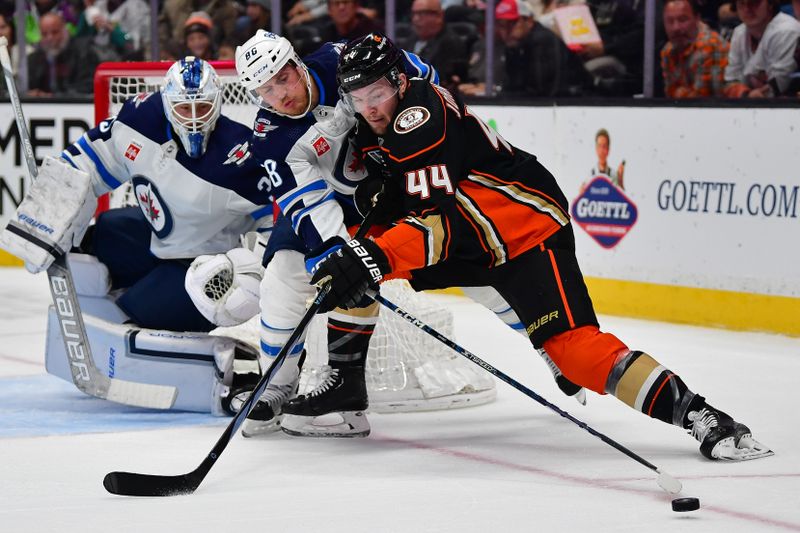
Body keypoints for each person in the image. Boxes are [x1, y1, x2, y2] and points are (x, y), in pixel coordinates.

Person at [298, 33, 773, 461]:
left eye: (377, 93)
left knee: (576, 354)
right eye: (359, 98)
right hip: (468, 238)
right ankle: (345, 385)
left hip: (523, 228)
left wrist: (372, 254)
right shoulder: (370, 127)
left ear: (400, 83)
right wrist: (362, 244)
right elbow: (406, 211)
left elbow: (435, 227)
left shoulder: (418, 117)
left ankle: (703, 417)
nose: (371, 107)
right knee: (352, 260)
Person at [0, 58, 273, 414]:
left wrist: (257, 275)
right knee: (101, 237)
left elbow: (279, 221)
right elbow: (88, 160)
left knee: (129, 314)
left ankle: (213, 371)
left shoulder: (242, 155)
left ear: (219, 103)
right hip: (160, 238)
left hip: (202, 269)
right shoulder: (139, 118)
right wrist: (48, 212)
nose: (192, 117)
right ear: (166, 102)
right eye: (182, 107)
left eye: (202, 106)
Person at [233, 30, 440, 437]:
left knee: (465, 251)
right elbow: (308, 204)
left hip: (391, 187)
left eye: (283, 79)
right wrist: (334, 249)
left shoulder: (341, 59)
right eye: (266, 90)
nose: (280, 96)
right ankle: (278, 384)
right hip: (328, 204)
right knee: (283, 276)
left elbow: (422, 76)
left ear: (298, 64)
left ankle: (548, 340)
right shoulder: (269, 135)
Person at [494, 0, 591, 97]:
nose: (506, 31)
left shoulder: (543, 41)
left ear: (529, 21)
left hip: (578, 101)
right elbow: (511, 86)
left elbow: (541, 91)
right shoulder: (514, 45)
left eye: (512, 23)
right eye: (502, 25)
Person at [723, 0, 800, 97]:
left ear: (770, 4)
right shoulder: (739, 32)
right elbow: (730, 81)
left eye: (754, 3)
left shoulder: (787, 30)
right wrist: (746, 94)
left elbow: (780, 84)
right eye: (742, 3)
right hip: (749, 104)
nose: (747, 9)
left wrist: (751, 95)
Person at [661, 0, 729, 98]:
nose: (676, 28)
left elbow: (699, 100)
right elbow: (670, 94)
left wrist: (679, 92)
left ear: (697, 19)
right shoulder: (667, 51)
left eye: (682, 20)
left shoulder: (709, 45)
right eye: (670, 21)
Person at [26, 11, 100, 96]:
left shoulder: (84, 53)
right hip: (40, 107)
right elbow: (24, 88)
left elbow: (88, 87)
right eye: (44, 34)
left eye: (55, 32)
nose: (49, 38)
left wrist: (53, 97)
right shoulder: (33, 59)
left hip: (74, 106)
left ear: (65, 31)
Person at [406, 0, 469, 91]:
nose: (415, 19)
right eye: (413, 14)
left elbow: (441, 79)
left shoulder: (451, 43)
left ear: (439, 16)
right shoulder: (410, 41)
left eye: (422, 14)